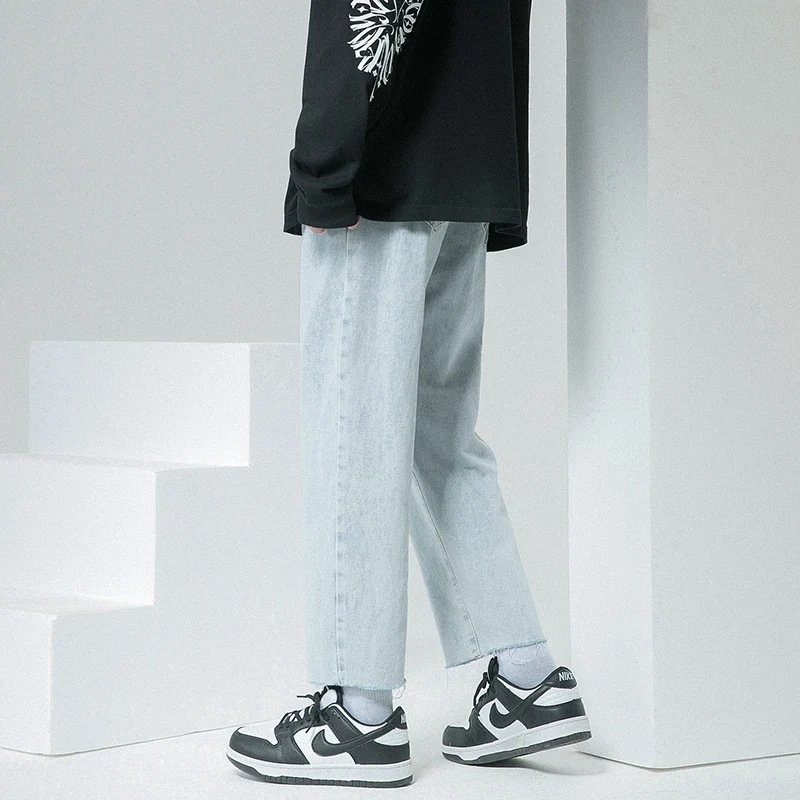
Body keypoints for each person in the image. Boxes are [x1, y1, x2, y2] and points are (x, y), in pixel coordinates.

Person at [227, 0, 591, 787]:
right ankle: (525, 678)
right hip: (469, 165)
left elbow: (365, 9)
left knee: (352, 427)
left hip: (382, 170)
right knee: (438, 434)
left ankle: (356, 714)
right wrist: (502, 183)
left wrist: (324, 165)